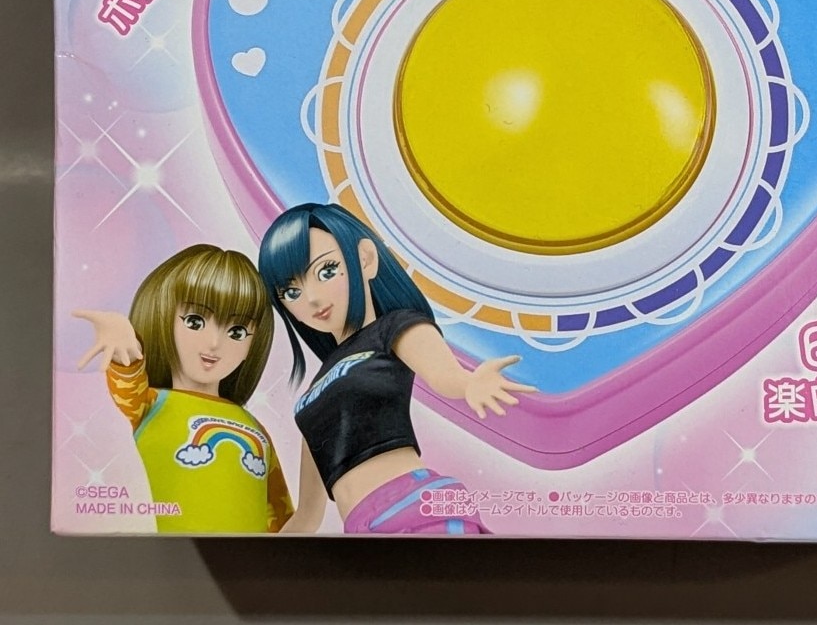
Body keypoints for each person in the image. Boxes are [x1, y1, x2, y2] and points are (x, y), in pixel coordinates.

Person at [258, 201, 533, 534]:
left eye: (326, 271)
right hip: (360, 529)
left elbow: (445, 375)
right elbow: (307, 516)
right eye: (291, 291)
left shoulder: (392, 328)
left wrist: (470, 383)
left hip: (414, 505)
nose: (312, 298)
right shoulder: (310, 397)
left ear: (365, 259)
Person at [75, 244, 294, 534]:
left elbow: (279, 514)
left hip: (250, 559)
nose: (214, 343)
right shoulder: (149, 403)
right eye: (195, 321)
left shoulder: (255, 427)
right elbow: (127, 378)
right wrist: (121, 337)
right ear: (163, 318)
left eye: (237, 331)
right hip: (175, 555)